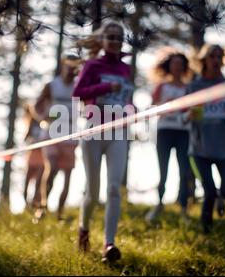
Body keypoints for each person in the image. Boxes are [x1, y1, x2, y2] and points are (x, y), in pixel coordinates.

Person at [73, 21, 135, 262]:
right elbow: (78, 93)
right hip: (94, 129)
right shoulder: (93, 65)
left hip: (118, 131)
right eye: (110, 37)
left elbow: (125, 98)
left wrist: (132, 109)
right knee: (93, 192)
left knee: (113, 189)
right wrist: (107, 85)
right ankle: (84, 229)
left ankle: (109, 245)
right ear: (102, 40)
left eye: (119, 37)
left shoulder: (126, 69)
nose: (115, 41)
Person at [186, 44, 225, 234]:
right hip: (199, 148)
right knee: (209, 191)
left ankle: (221, 197)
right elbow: (184, 115)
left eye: (220, 57)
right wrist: (190, 115)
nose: (216, 60)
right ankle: (207, 231)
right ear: (204, 60)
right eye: (212, 56)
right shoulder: (194, 87)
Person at [145, 48, 195, 223]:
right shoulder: (161, 86)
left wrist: (188, 112)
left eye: (181, 64)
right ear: (169, 66)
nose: (177, 67)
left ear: (184, 67)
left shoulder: (189, 88)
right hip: (164, 131)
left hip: (183, 132)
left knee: (184, 170)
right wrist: (162, 105)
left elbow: (193, 109)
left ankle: (183, 209)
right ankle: (159, 204)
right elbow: (151, 107)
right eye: (174, 63)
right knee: (163, 169)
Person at [32, 54, 82, 221]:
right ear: (63, 65)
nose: (71, 69)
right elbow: (37, 106)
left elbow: (87, 103)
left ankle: (60, 213)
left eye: (75, 66)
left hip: (71, 134)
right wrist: (44, 117)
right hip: (52, 134)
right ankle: (42, 206)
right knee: (51, 168)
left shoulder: (78, 86)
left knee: (67, 175)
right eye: (69, 65)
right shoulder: (52, 86)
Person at [22, 104, 45, 213]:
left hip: (42, 156)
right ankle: (26, 204)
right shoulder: (31, 124)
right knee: (27, 181)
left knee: (39, 183)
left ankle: (36, 204)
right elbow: (26, 138)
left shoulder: (45, 123)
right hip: (32, 155)